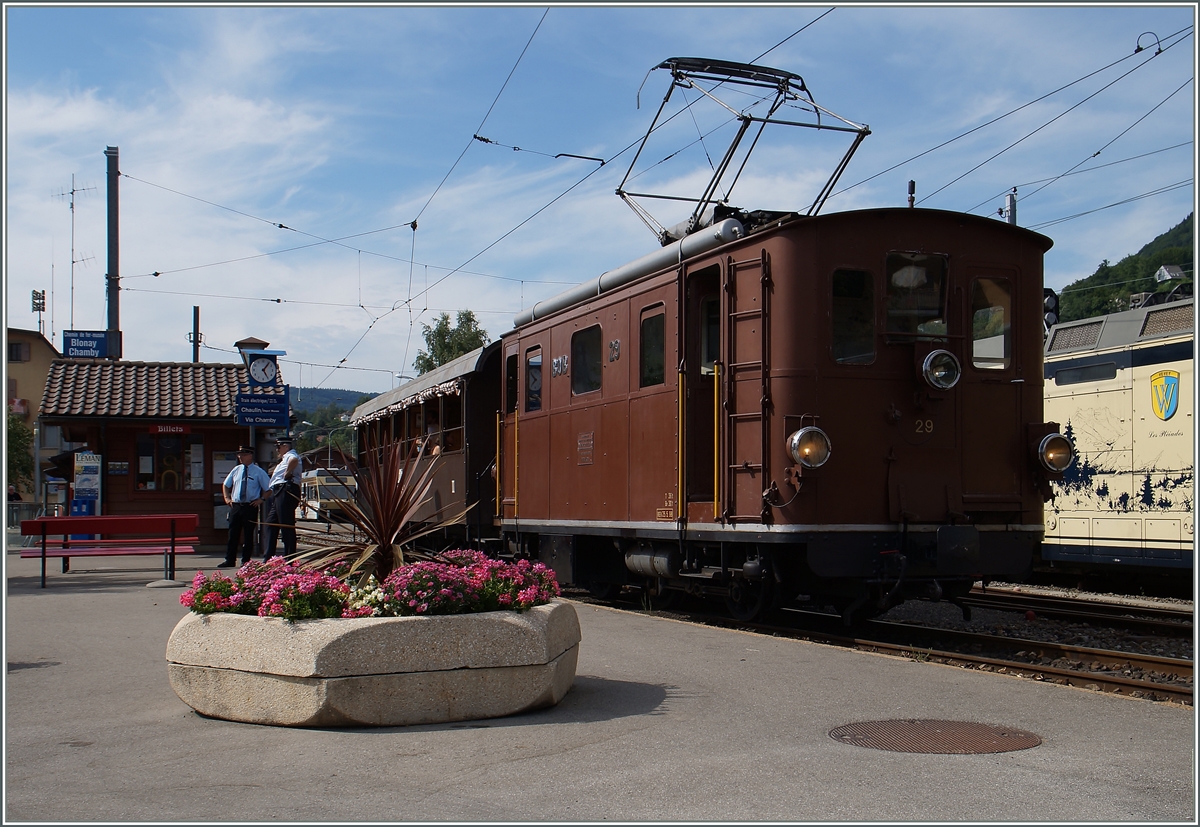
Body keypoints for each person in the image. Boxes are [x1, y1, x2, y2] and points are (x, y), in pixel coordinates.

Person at [220, 446, 270, 568]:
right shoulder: (236, 470)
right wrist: (227, 498)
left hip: (250, 506)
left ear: (250, 455)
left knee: (248, 535)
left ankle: (246, 561)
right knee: (233, 534)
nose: (240, 457)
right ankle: (230, 559)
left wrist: (261, 499)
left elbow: (269, 489)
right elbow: (226, 485)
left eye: (243, 455)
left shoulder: (258, 471)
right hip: (236, 505)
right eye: (239, 455)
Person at [264, 436, 302, 559]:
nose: (277, 450)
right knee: (271, 523)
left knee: (286, 524)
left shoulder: (291, 455)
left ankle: (290, 557)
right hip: (278, 491)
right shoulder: (284, 458)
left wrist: (288, 472)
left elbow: (294, 460)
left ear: (285, 446)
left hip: (286, 489)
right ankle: (269, 556)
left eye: (278, 447)